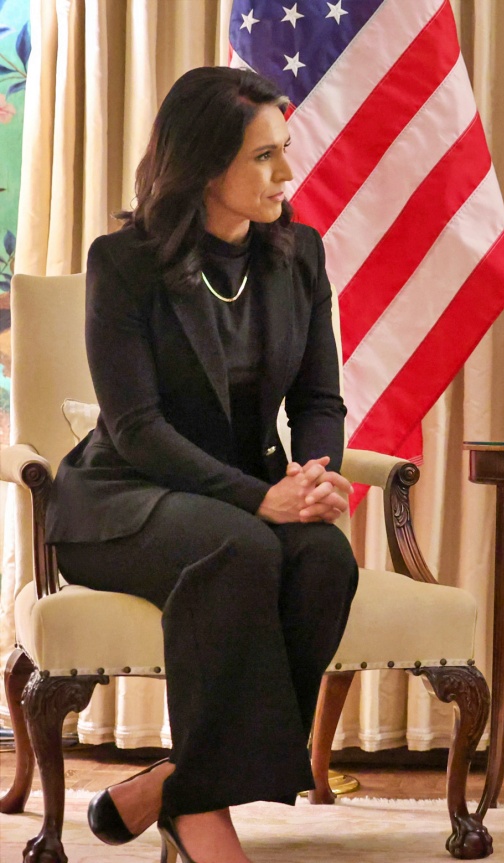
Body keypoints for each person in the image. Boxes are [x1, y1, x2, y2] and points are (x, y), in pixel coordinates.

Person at [45, 66, 359, 863]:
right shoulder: (125, 263)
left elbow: (320, 397)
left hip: (241, 499)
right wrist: (262, 501)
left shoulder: (300, 256)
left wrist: (314, 476)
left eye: (284, 151)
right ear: (204, 164)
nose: (286, 173)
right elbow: (137, 427)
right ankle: (201, 815)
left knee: (324, 558)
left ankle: (180, 784)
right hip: (125, 500)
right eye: (263, 157)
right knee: (243, 545)